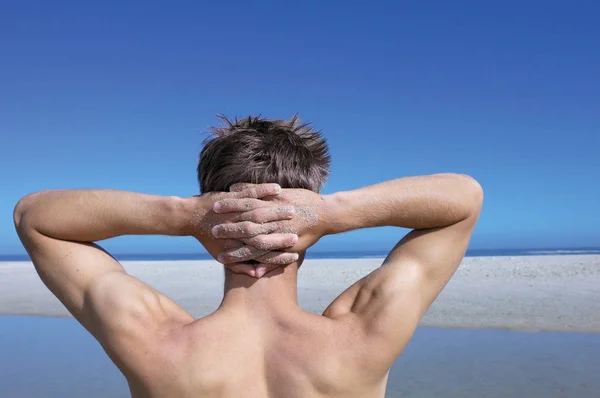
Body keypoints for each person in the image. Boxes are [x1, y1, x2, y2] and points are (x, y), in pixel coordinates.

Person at [13, 115, 483, 398]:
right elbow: (464, 200)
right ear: (309, 206)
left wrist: (183, 217)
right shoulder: (363, 337)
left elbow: (34, 217)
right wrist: (335, 214)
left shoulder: (154, 342)